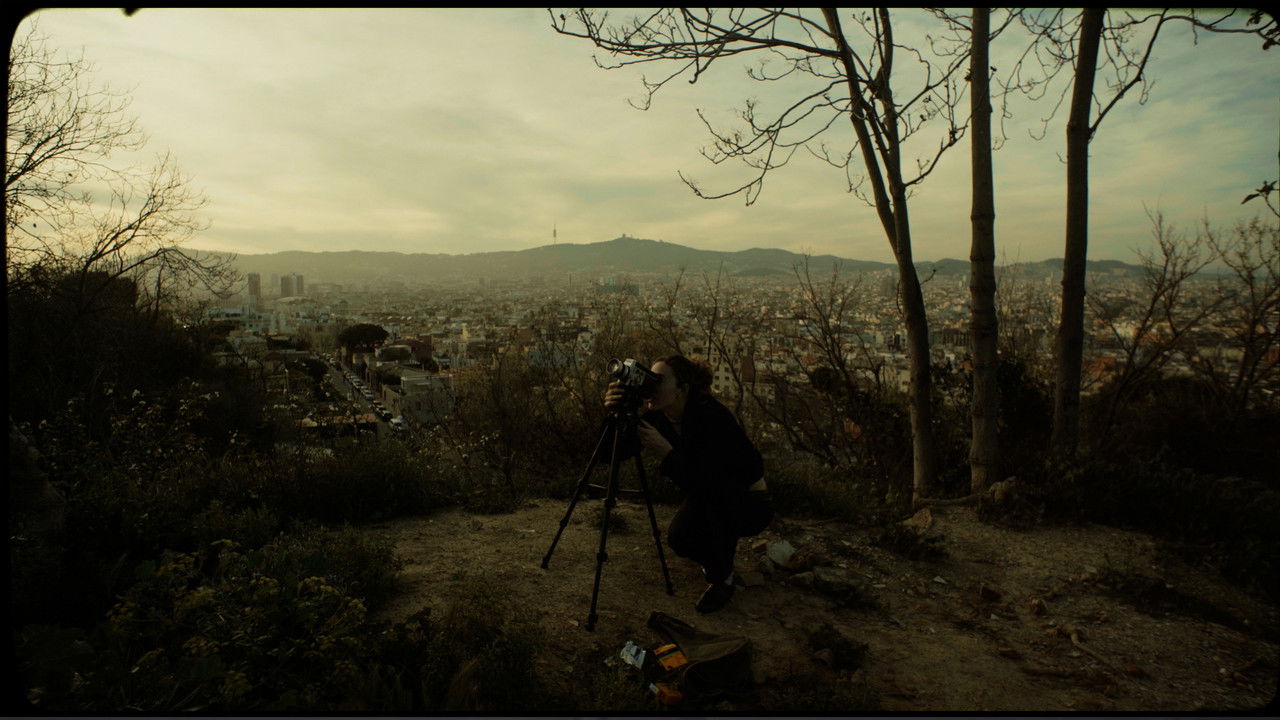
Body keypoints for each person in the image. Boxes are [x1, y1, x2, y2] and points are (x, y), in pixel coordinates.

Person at [604, 355, 772, 613]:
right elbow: (610, 453)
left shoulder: (711, 415)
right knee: (680, 539)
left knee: (709, 516)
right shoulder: (658, 417)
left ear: (682, 389)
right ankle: (716, 554)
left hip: (749, 502)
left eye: (659, 381)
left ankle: (722, 579)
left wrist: (668, 454)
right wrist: (614, 414)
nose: (652, 386)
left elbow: (718, 483)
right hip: (707, 492)